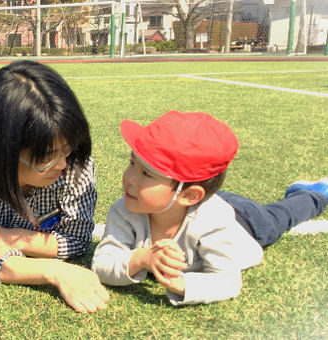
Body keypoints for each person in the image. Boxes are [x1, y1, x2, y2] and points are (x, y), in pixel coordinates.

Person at [91, 111, 328, 306]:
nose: (129, 178)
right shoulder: (125, 208)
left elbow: (227, 280)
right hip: (197, 200)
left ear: (188, 194)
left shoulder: (214, 219)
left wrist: (184, 285)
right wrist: (141, 259)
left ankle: (314, 193)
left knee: (281, 217)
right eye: (132, 163)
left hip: (246, 221)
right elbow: (101, 264)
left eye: (146, 174)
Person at [0, 60, 109, 314]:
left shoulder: (75, 161)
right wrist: (54, 270)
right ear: (3, 152)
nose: (63, 163)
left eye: (68, 147)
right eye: (48, 156)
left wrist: (11, 238)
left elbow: (77, 239)